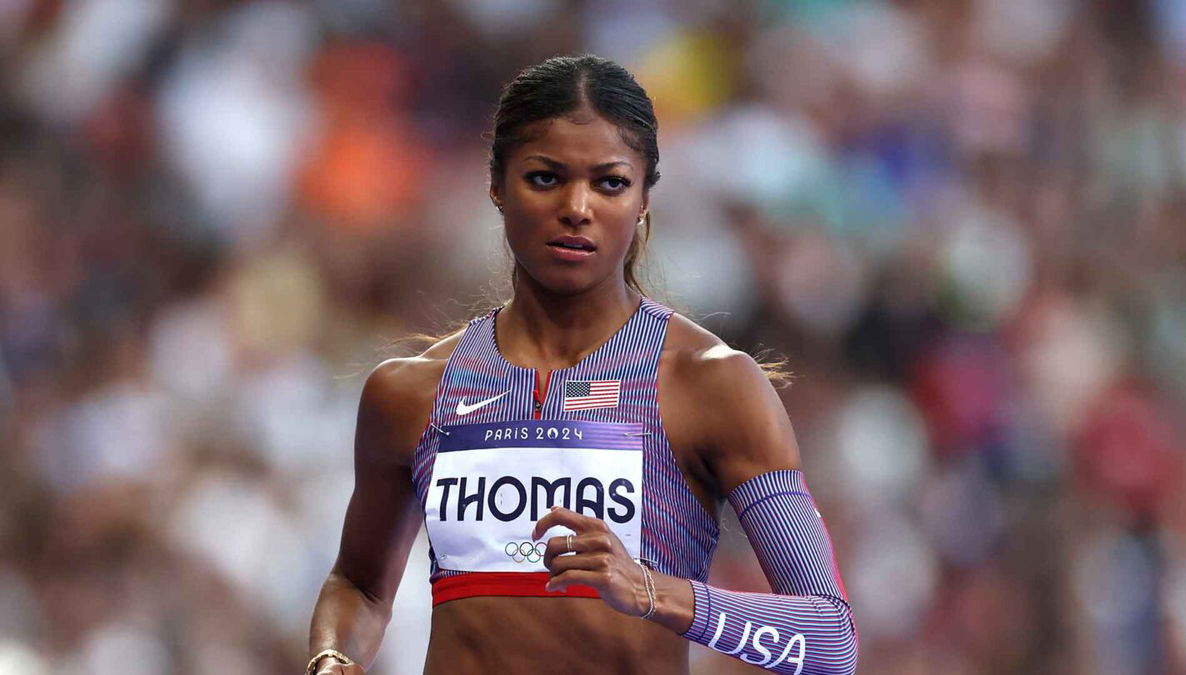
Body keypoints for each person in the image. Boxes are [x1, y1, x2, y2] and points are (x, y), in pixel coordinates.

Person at [306, 55, 857, 675]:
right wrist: (332, 658)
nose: (576, 207)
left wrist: (654, 591)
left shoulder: (710, 384)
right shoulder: (410, 393)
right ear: (496, 185)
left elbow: (829, 641)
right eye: (544, 178)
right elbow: (359, 586)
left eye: (610, 183)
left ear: (645, 198)